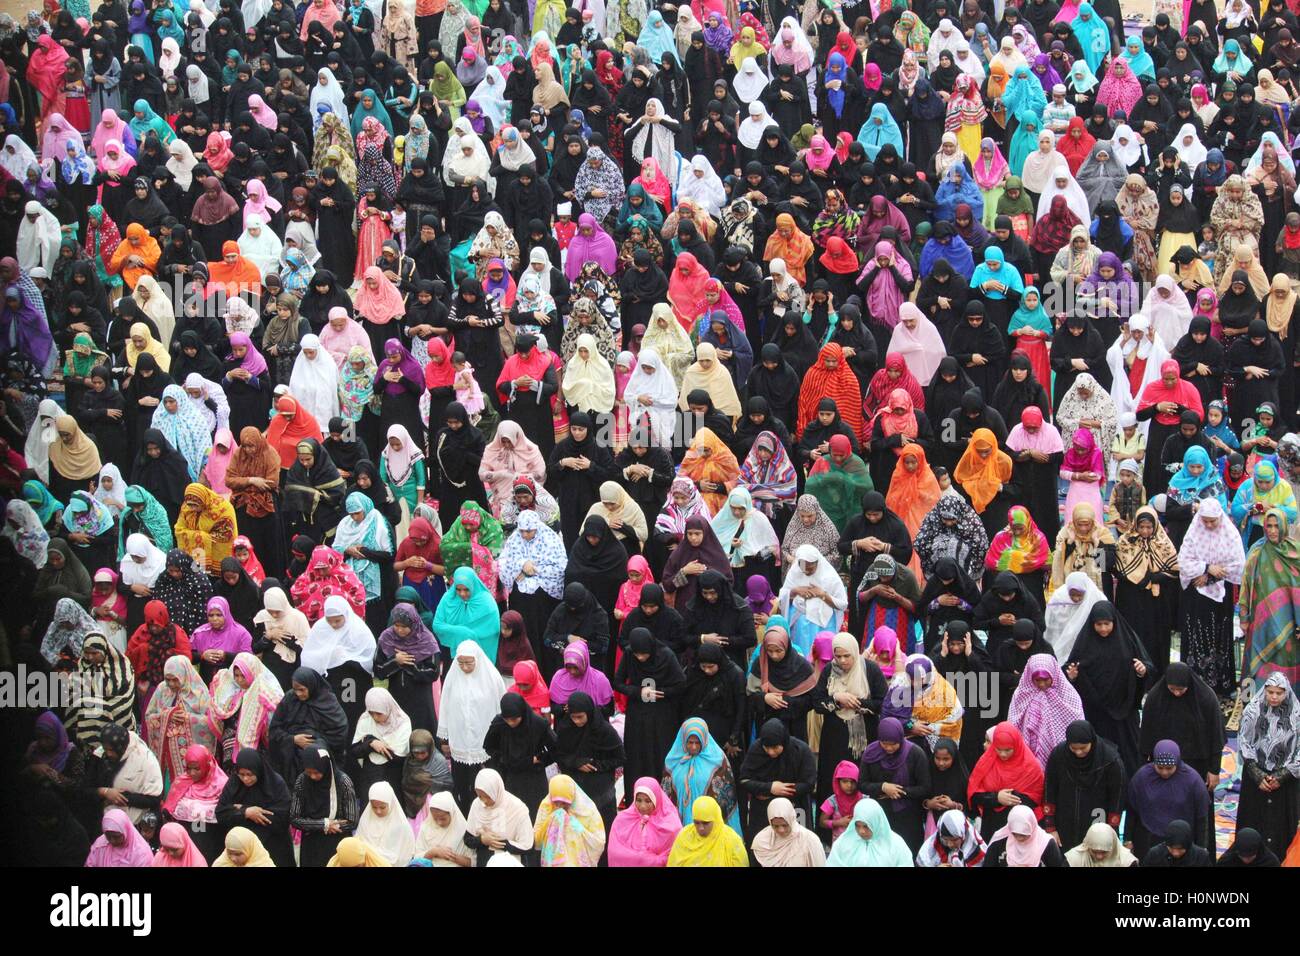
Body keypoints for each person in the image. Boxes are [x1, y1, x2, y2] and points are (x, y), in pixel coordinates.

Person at [824, 797, 915, 867]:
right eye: (857, 826)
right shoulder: (843, 842)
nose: (861, 831)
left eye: (866, 826)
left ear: (876, 822)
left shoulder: (895, 844)